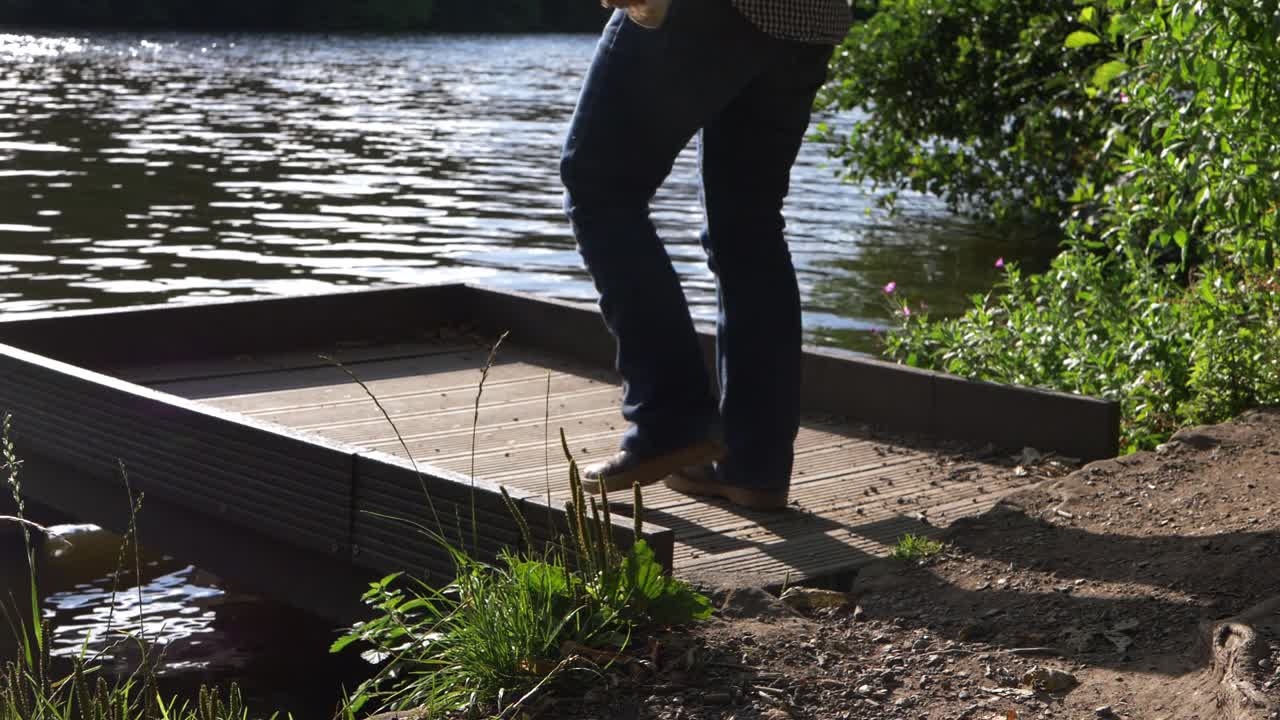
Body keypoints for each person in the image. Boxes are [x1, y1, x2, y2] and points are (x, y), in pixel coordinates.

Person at [560, 0, 852, 511]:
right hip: (809, 18)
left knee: (599, 185)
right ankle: (752, 464)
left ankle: (669, 418)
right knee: (749, 225)